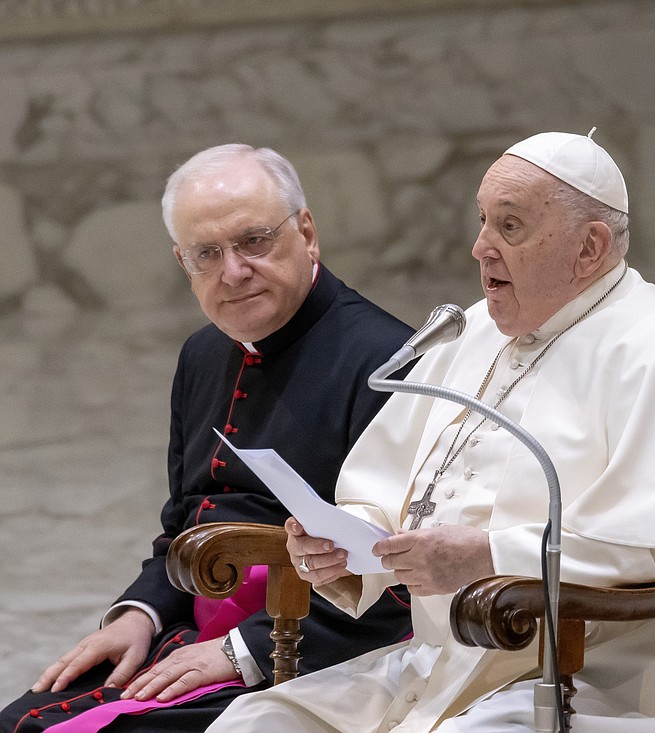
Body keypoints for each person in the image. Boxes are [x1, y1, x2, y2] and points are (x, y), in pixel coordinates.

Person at [208, 131, 655, 732]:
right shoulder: (476, 329)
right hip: (447, 663)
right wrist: (350, 543)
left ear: (590, 248)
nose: (480, 248)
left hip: (605, 674)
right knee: (254, 723)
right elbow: (389, 485)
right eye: (483, 221)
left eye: (510, 226)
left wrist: (491, 557)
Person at [1, 144, 416, 733]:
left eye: (254, 241)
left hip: (311, 654)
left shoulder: (387, 363)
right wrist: (138, 614)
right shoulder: (203, 354)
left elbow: (401, 580)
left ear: (307, 232)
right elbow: (183, 527)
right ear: (181, 262)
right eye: (207, 254)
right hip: (190, 633)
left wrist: (237, 651)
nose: (234, 271)